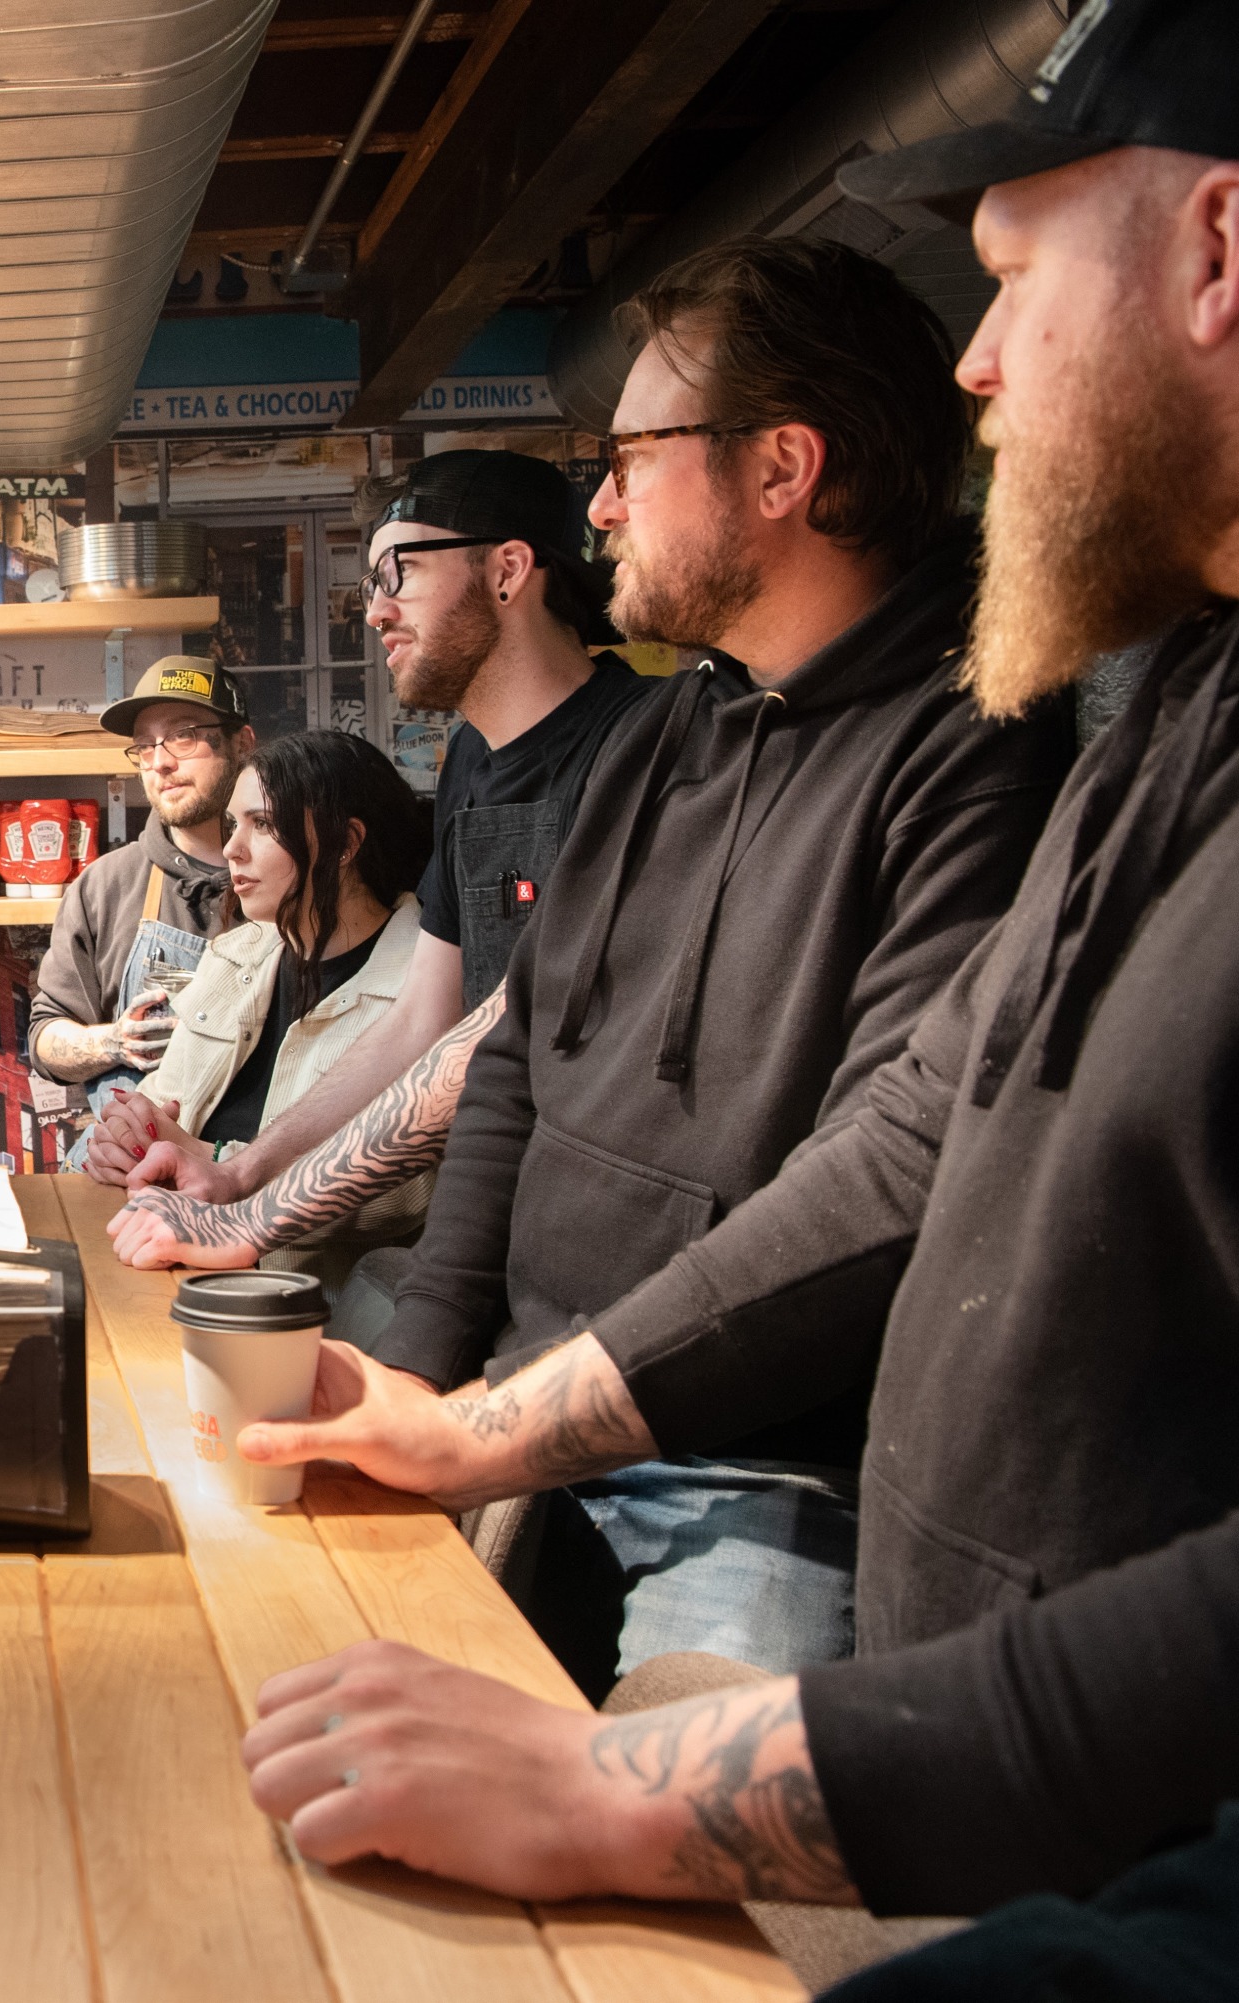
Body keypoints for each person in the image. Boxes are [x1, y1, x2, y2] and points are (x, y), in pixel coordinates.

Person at [226, 3, 1239, 1934]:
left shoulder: (999, 725)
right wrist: (451, 1394)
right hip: (885, 1660)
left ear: (1215, 256)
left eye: (1017, 280)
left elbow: (884, 1158)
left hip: (827, 1561)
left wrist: (645, 1769)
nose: (981, 359)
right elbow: (573, 1075)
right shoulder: (1169, 699)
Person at [270, 236, 1080, 1696]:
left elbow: (888, 1187)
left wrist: (499, 1422)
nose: (598, 503)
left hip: (761, 1477)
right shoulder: (668, 730)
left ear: (782, 469)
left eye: (631, 455)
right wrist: (434, 1373)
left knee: (674, 1901)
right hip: (522, 1411)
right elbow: (514, 1061)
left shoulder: (982, 749)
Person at [96, 452, 659, 1261]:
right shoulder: (471, 757)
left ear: (507, 569)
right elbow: (421, 1025)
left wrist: (253, 1215)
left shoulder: (644, 743)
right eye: (369, 587)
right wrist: (241, 1172)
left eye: (396, 573)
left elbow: (492, 1049)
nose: (376, 612)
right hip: (503, 1228)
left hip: (611, 1238)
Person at [121, 732, 437, 1264]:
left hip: (314, 1315)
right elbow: (161, 1103)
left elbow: (408, 1194)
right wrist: (131, 1144)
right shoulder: (233, 954)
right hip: (172, 1275)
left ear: (345, 844)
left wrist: (219, 1161)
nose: (230, 849)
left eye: (262, 825)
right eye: (234, 823)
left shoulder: (427, 983)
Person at [25, 656, 250, 1171]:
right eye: (145, 746)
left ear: (242, 744)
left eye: (184, 735)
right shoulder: (108, 885)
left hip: (250, 1177)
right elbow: (44, 1039)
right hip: (123, 1178)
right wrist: (113, 1041)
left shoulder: (284, 878)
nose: (160, 762)